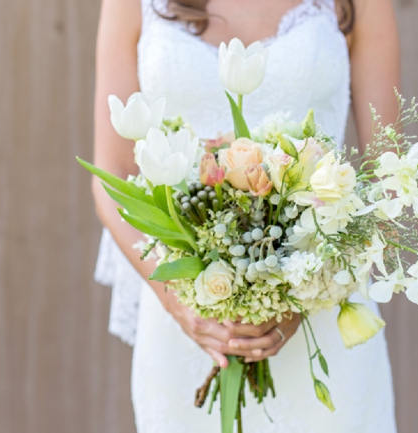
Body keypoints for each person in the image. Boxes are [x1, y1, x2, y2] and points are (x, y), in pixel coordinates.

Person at [91, 0, 399, 431]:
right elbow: (112, 174)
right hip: (185, 330)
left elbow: (389, 176)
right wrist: (179, 303)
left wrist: (309, 290)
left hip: (325, 323)